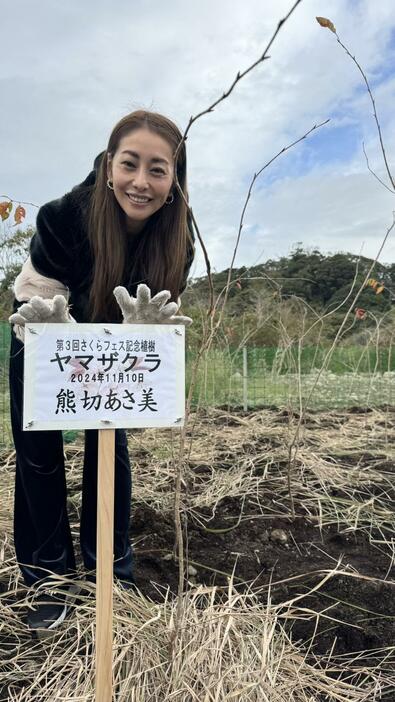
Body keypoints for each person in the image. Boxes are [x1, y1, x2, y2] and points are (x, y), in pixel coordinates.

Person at [8, 110, 195, 631]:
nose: (141, 182)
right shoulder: (63, 216)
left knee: (109, 443)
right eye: (130, 164)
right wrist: (61, 336)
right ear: (110, 164)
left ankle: (110, 570)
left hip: (117, 345)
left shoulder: (178, 241)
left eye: (158, 170)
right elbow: (44, 298)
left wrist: (157, 364)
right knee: (39, 450)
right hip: (45, 326)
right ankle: (47, 577)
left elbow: (162, 319)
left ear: (175, 178)